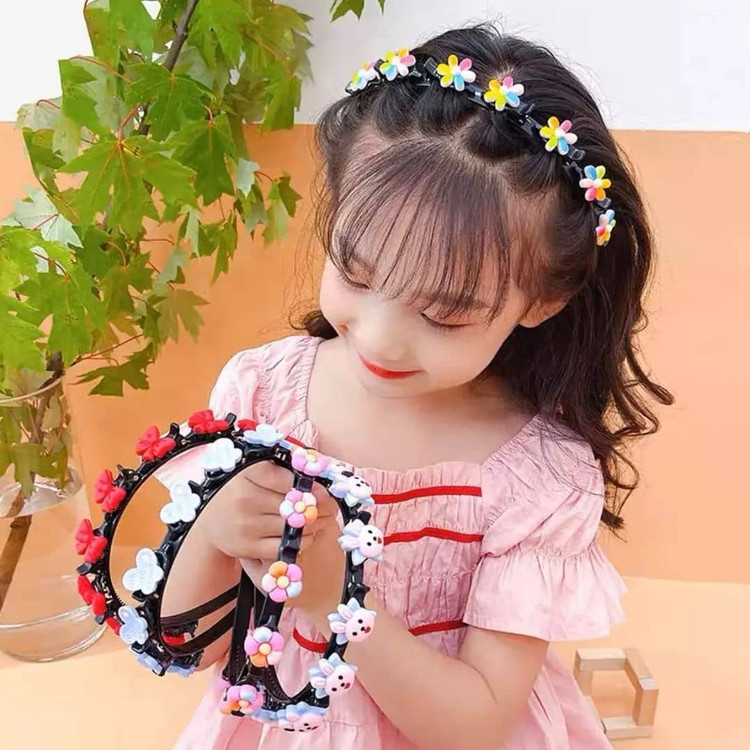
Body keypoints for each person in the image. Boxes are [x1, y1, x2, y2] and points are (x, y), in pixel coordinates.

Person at [154, 22, 674, 749]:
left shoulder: (537, 477)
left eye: (445, 314)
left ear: (542, 302)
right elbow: (187, 643)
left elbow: (475, 724)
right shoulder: (262, 396)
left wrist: (340, 598)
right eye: (355, 272)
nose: (379, 337)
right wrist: (215, 530)